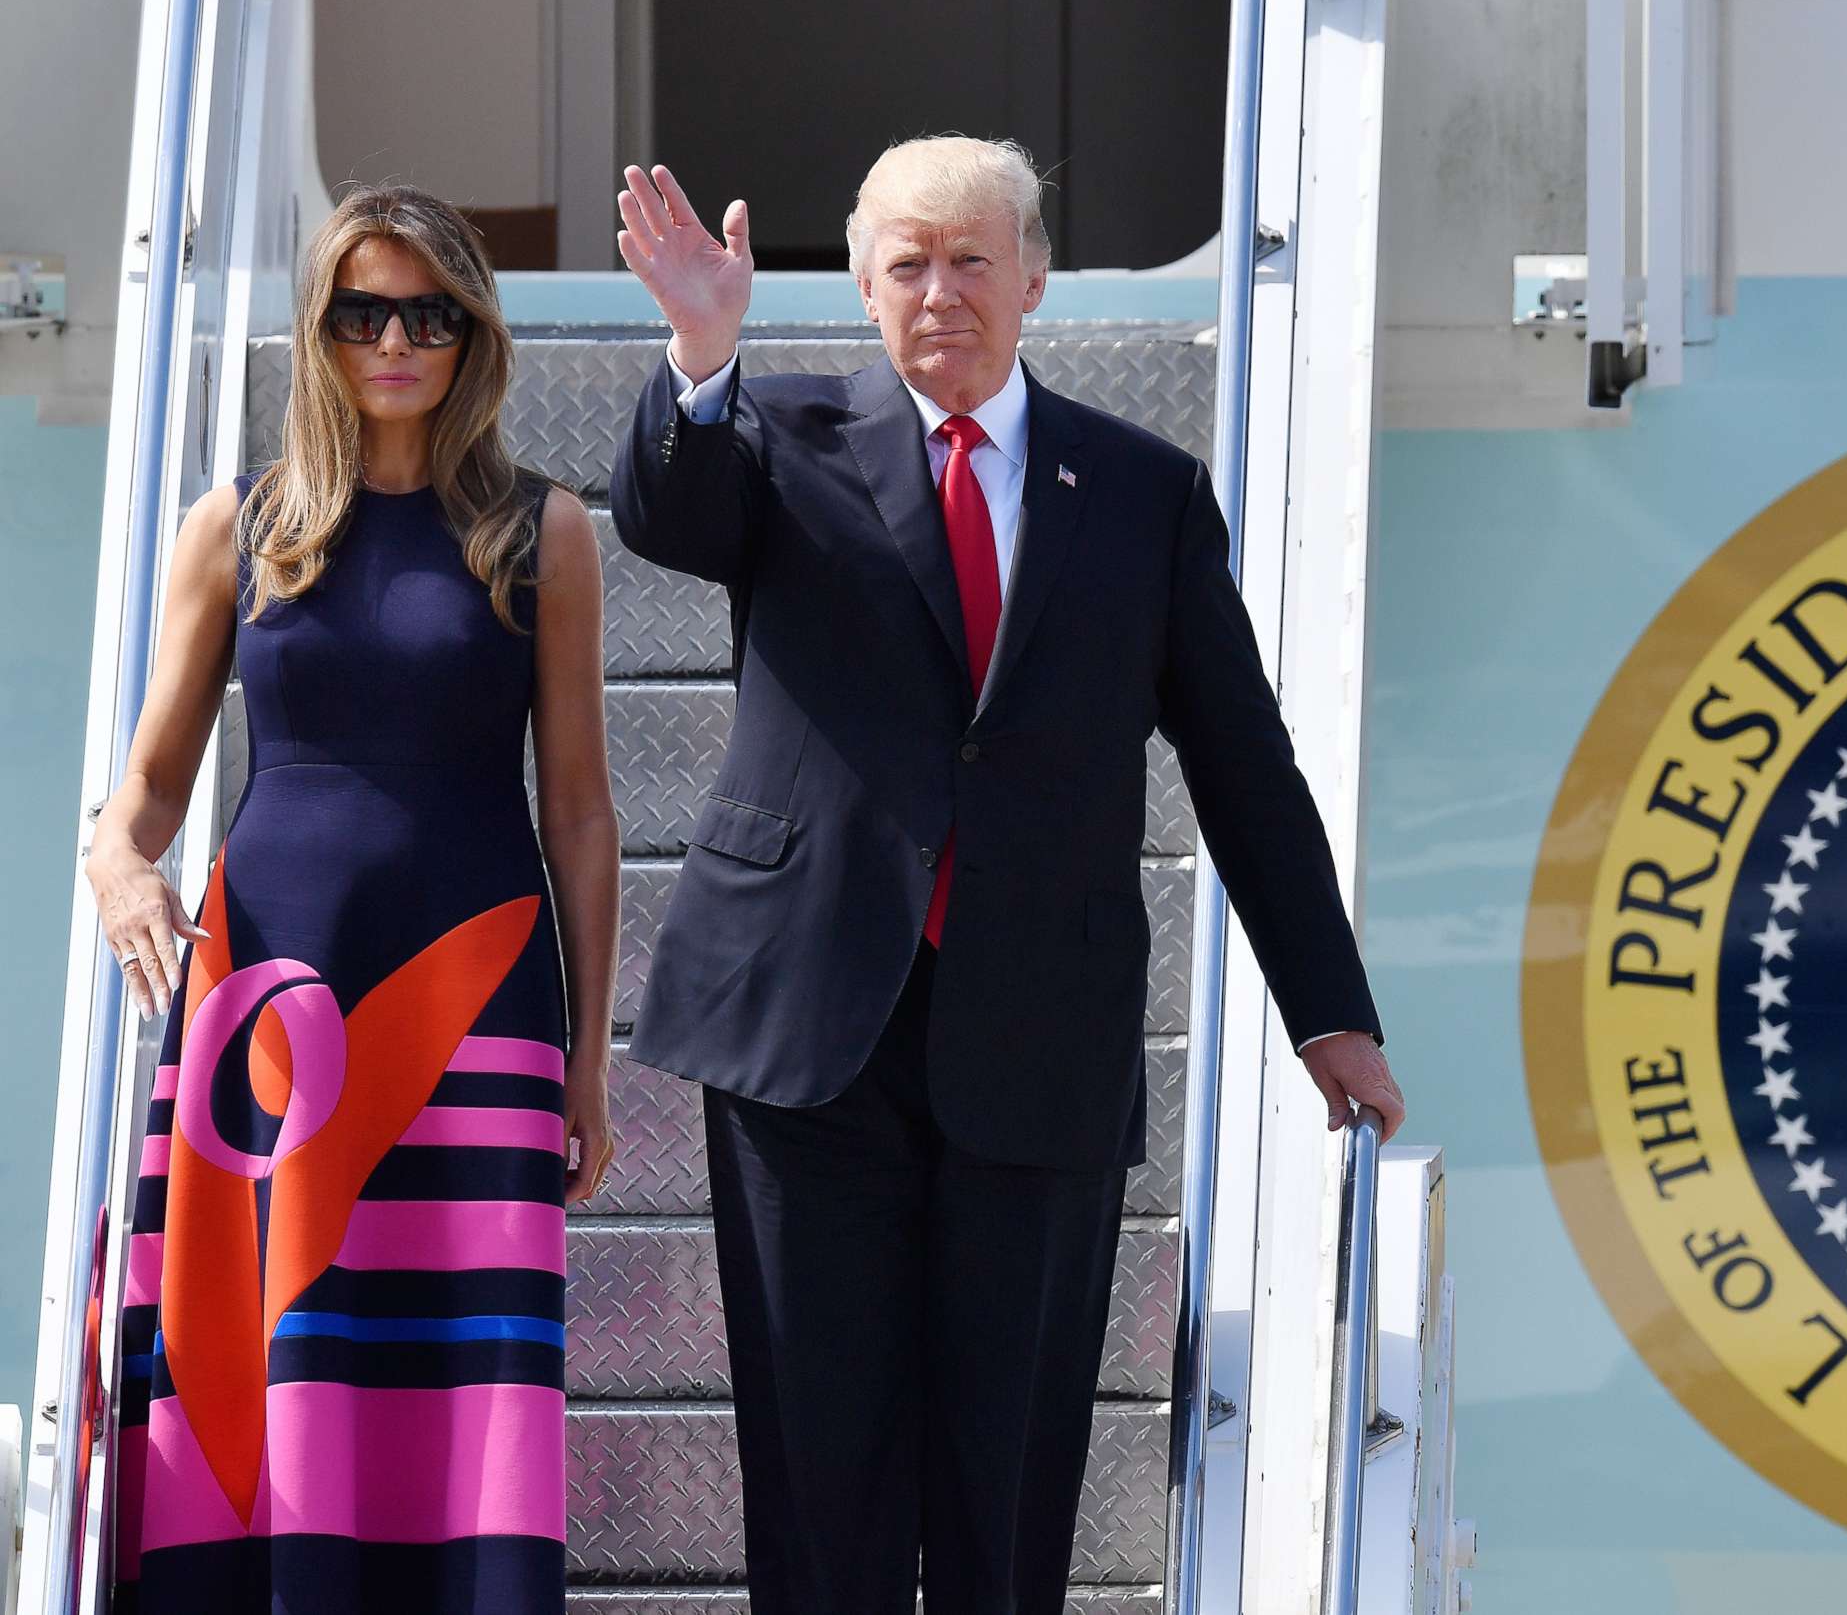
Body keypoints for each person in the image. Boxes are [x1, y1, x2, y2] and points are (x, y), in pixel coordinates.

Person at [609, 138, 1407, 1613]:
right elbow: (670, 517)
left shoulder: (1145, 492)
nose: (941, 293)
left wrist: (1326, 1010)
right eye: (907, 264)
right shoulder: (772, 438)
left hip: (1038, 1035)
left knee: (1009, 1488)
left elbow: (1241, 762)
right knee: (823, 1486)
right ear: (860, 288)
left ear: (1034, 278)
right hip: (808, 1040)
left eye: (973, 260)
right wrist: (701, 351)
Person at [87, 185, 618, 1613]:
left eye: (429, 315)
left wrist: (590, 1060)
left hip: (478, 1000)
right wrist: (118, 865)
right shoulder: (238, 527)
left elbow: (578, 812)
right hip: (267, 1004)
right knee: (266, 1359)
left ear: (473, 335)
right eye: (363, 311)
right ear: (319, 329)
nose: (396, 340)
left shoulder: (542, 533)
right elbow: (145, 784)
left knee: (459, 1371)